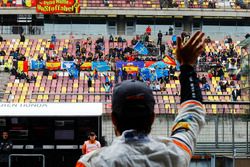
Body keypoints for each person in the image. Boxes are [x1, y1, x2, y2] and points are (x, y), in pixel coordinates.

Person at [75, 31, 206, 167]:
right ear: (152, 118)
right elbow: (192, 112)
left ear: (114, 119)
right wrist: (187, 67)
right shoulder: (174, 154)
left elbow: (192, 112)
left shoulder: (91, 163)